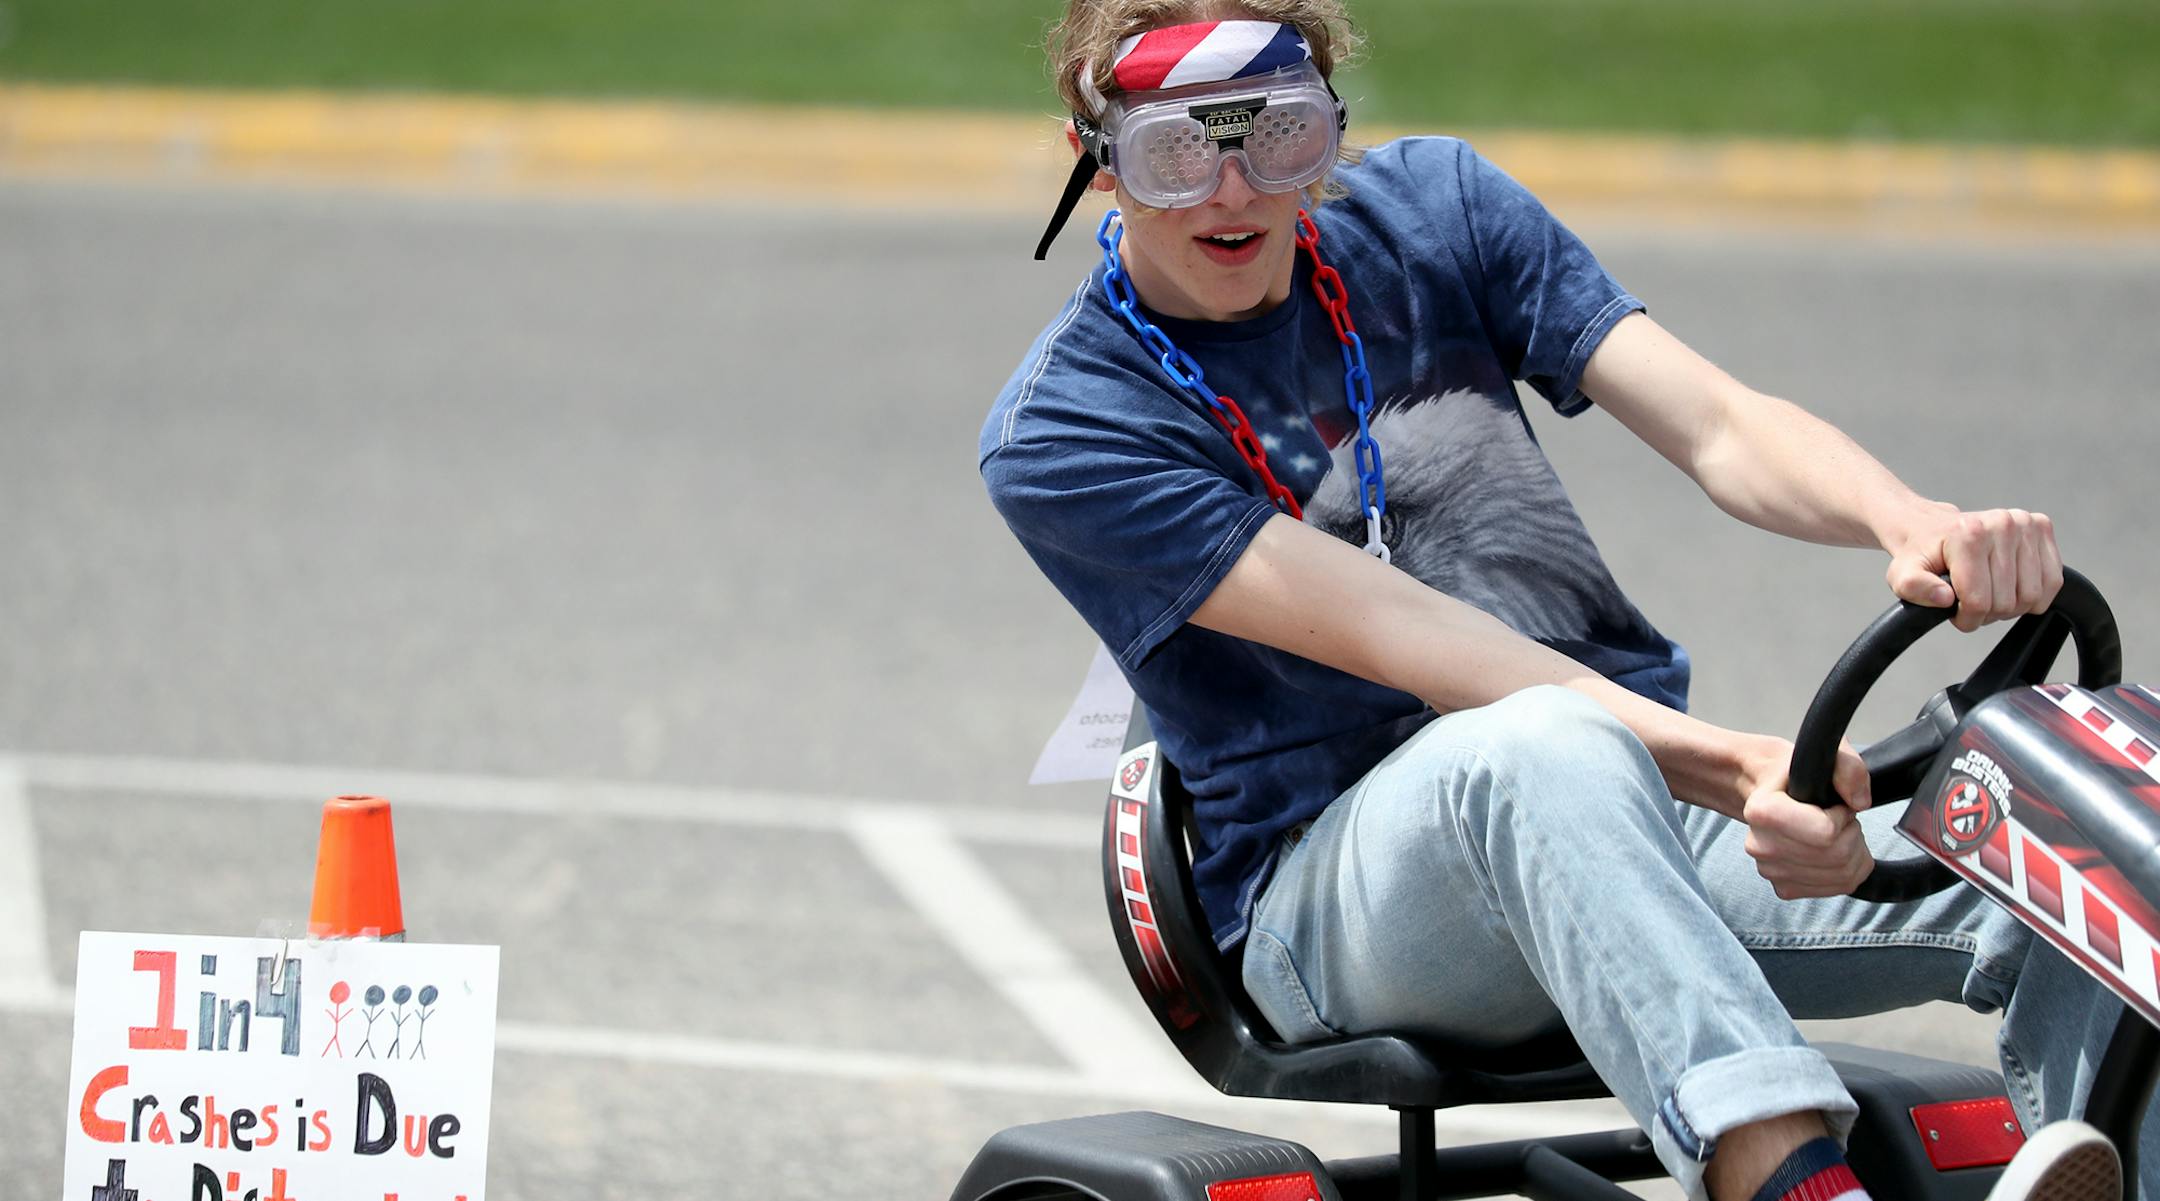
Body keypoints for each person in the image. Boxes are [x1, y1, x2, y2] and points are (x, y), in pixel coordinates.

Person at [980, 4, 2139, 1201]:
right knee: (1540, 746)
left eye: (1278, 138)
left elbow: (1722, 425)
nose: (1234, 193)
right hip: (1332, 899)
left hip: (1623, 804)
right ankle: (1786, 1182)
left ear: (1331, 126)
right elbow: (1414, 639)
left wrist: (1916, 523)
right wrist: (1736, 768)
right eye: (1178, 150)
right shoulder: (1066, 428)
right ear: (1096, 155)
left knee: (2074, 833)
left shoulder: (1434, 208)